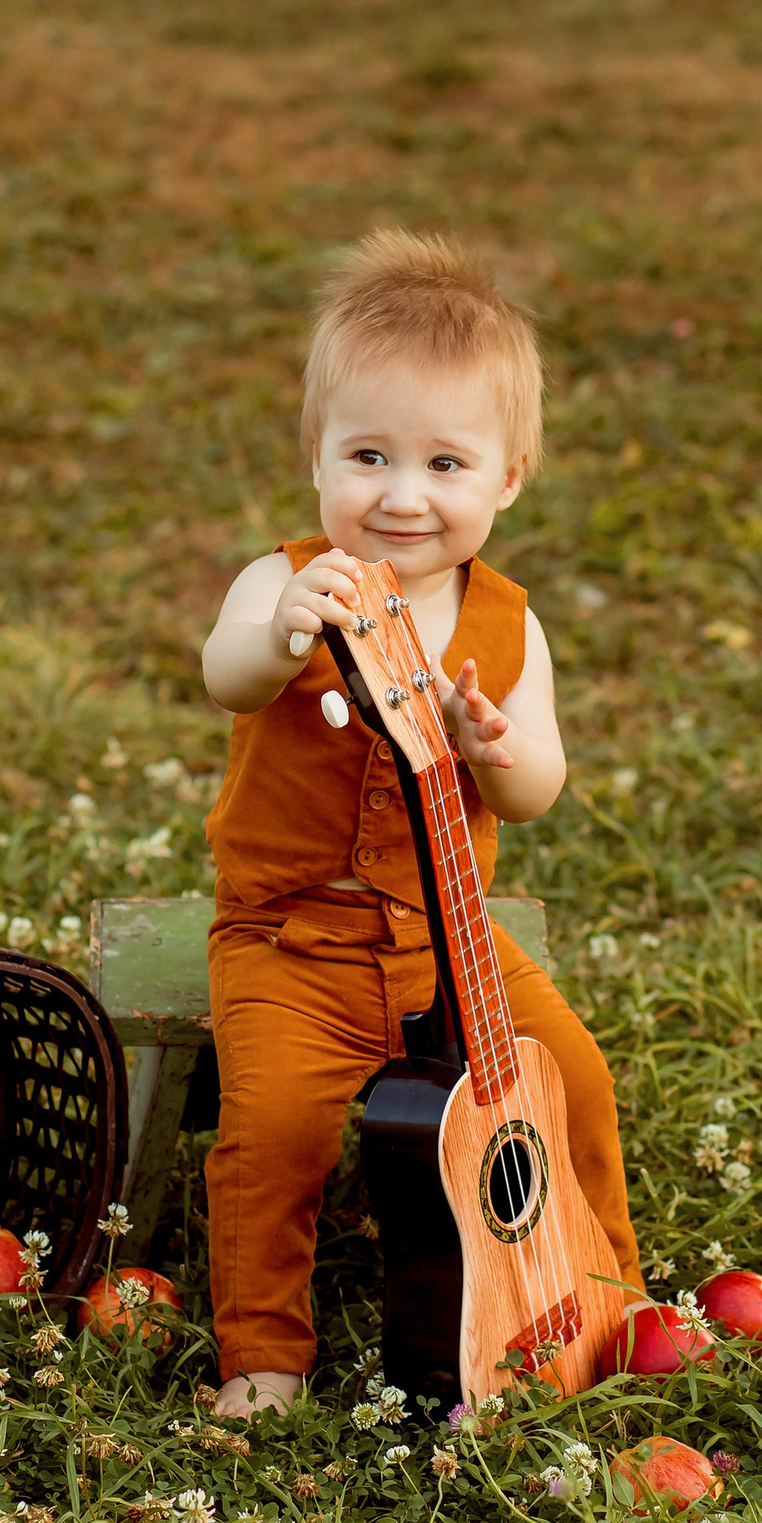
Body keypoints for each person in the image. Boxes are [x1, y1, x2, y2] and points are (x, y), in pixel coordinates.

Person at [196, 229, 640, 1418]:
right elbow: (226, 674)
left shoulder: (507, 624)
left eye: (445, 463)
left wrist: (499, 749)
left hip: (450, 942)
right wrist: (282, 626)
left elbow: (538, 781)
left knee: (577, 1081)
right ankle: (264, 1353)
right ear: (316, 459)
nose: (401, 495)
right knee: (274, 1128)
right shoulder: (289, 582)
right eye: (369, 456)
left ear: (508, 476)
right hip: (293, 944)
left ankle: (606, 1287)